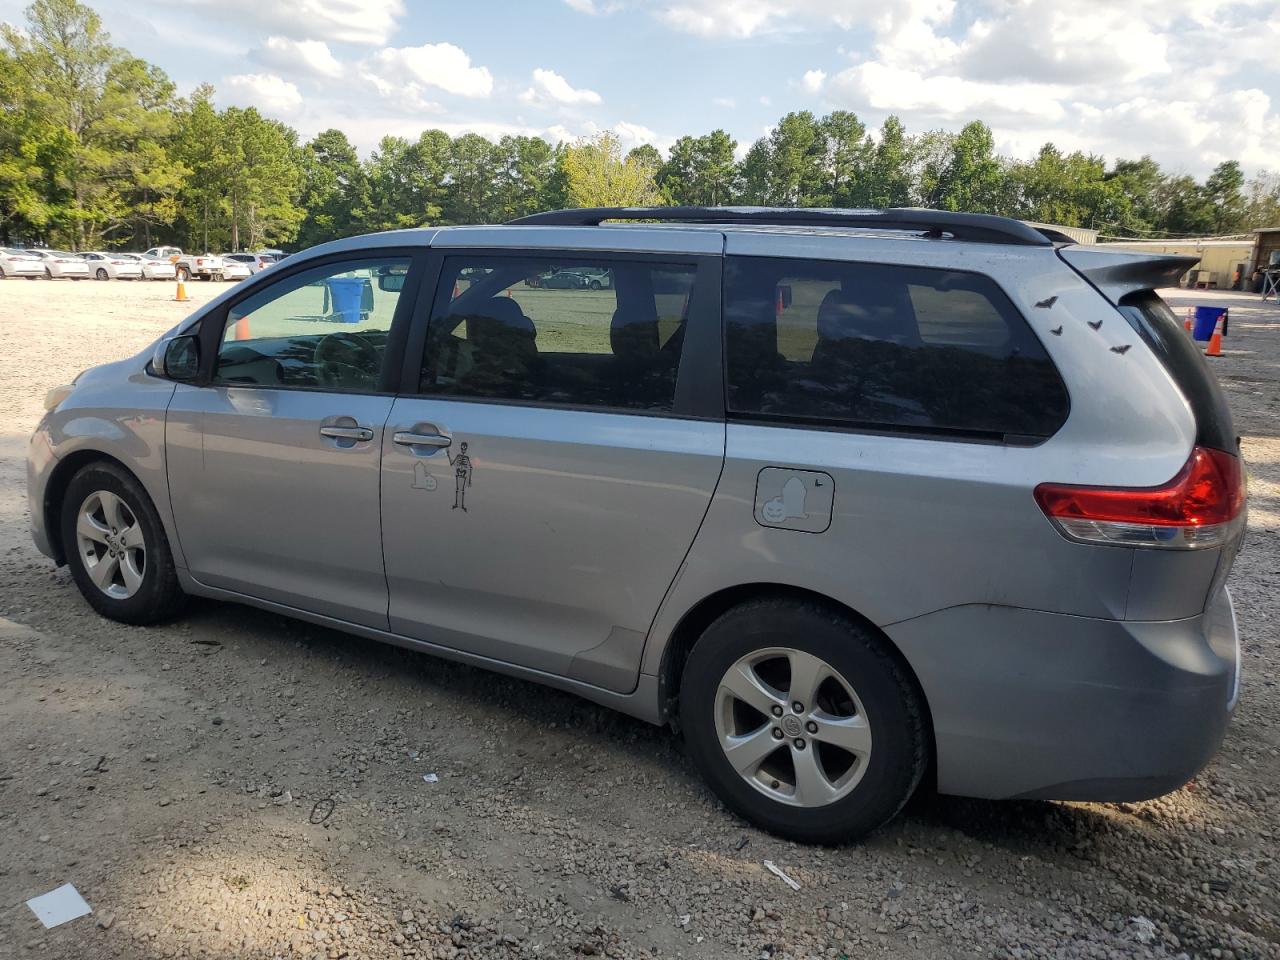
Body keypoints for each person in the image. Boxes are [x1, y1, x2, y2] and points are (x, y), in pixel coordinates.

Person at [449, 441, 473, 511]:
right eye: (462, 447)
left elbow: (470, 467)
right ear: (460, 448)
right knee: (457, 490)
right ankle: (457, 504)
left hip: (463, 475)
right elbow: (451, 463)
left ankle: (461, 505)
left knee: (462, 490)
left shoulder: (467, 457)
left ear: (466, 448)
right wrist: (448, 455)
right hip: (458, 474)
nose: (463, 449)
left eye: (465, 448)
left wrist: (469, 480)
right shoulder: (458, 456)